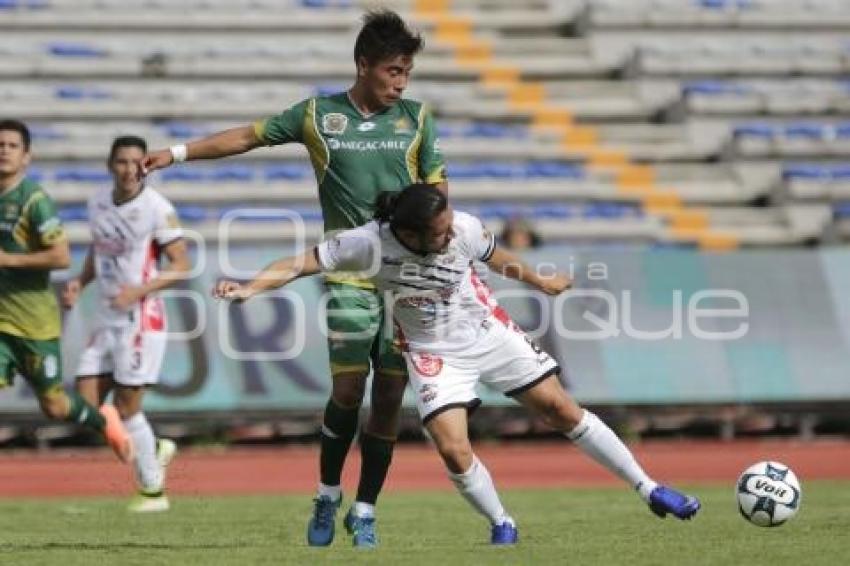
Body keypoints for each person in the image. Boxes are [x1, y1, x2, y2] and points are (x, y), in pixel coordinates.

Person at [213, 183, 701, 545]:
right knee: (452, 448)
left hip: (488, 333)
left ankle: (650, 488)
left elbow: (495, 255)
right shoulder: (367, 242)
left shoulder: (462, 226)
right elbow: (299, 263)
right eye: (439, 232)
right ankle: (502, 523)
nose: (450, 235)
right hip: (431, 354)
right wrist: (249, 288)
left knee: (561, 409)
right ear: (407, 233)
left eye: (450, 226)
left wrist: (538, 280)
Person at [140, 9, 445, 547]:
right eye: (393, 71)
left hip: (409, 280)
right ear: (363, 64)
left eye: (407, 74)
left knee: (393, 399)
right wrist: (178, 153)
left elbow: (439, 198)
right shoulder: (318, 115)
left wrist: (445, 259)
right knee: (349, 390)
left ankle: (367, 509)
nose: (401, 82)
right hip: (349, 274)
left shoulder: (418, 120)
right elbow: (248, 138)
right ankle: (328, 494)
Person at [61, 135, 189, 512]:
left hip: (140, 319)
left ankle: (153, 492)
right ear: (110, 165)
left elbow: (181, 265)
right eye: (122, 161)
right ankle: (155, 449)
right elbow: (99, 250)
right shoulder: (97, 201)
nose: (130, 169)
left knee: (128, 408)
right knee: (85, 406)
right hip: (105, 315)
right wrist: (79, 282)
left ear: (146, 165)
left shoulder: (157, 208)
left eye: (137, 162)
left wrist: (139, 291)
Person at [0, 119, 132, 462]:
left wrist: (8, 260)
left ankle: (104, 420)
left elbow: (60, 256)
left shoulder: (33, 201)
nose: (4, 150)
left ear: (26, 156)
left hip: (34, 324)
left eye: (12, 146)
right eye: (0, 144)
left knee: (55, 407)